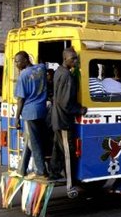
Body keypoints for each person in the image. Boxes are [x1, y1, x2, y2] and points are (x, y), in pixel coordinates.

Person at [51, 48, 87, 197]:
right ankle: (70, 185)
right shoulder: (67, 76)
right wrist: (79, 110)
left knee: (57, 148)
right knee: (68, 152)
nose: (75, 61)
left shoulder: (59, 72)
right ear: (65, 58)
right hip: (64, 120)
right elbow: (66, 103)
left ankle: (53, 173)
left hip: (57, 118)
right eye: (73, 59)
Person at [14, 51, 48, 180]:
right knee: (32, 139)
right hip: (42, 110)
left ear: (25, 60)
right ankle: (21, 169)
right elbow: (44, 65)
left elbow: (20, 99)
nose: (16, 64)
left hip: (30, 112)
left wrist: (17, 118)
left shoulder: (23, 76)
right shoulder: (41, 68)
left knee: (34, 143)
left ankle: (40, 171)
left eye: (18, 61)